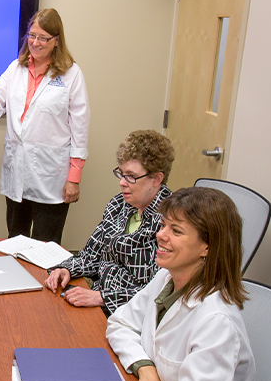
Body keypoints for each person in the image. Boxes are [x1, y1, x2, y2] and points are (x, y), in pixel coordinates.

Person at [23, 187, 257, 381]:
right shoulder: (166, 278)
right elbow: (120, 323)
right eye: (162, 225)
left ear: (207, 246)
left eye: (177, 230)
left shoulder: (217, 322)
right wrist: (146, 368)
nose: (160, 235)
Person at [0, 8, 89, 244]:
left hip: (52, 177)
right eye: (32, 35)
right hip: (17, 172)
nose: (35, 43)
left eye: (43, 38)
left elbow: (80, 127)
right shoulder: (16, 68)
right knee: (14, 240)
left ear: (56, 41)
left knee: (46, 245)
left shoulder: (71, 74)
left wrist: (74, 177)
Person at [44, 130, 174, 315]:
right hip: (98, 300)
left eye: (131, 176)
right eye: (120, 174)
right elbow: (92, 253)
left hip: (132, 314)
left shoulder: (169, 222)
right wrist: (66, 269)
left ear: (156, 179)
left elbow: (159, 291)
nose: (122, 182)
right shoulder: (119, 204)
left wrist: (102, 297)